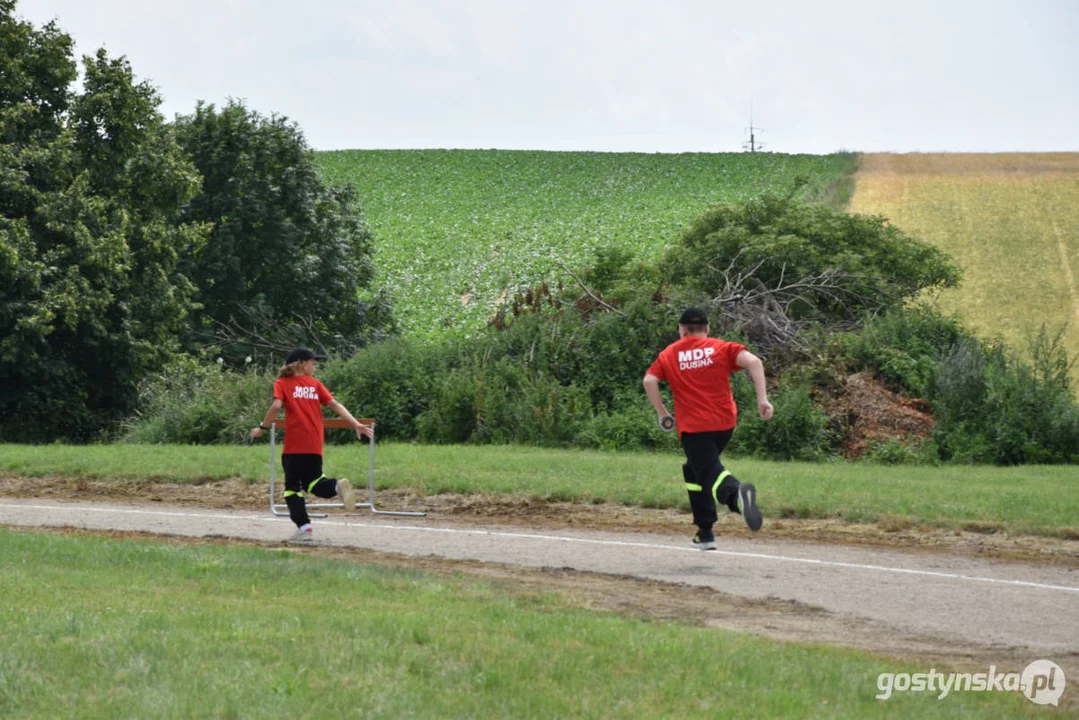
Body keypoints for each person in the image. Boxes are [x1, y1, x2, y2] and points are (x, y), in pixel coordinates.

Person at [643, 308, 774, 550]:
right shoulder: (721, 347)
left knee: (709, 471)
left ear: (682, 330)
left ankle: (736, 497)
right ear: (707, 329)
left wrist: (663, 413)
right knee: (694, 471)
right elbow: (754, 362)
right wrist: (762, 399)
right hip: (725, 424)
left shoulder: (670, 353)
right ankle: (705, 532)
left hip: (694, 427)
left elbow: (649, 380)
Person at [250, 348, 374, 543]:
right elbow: (335, 404)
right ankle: (335, 486)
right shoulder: (315, 385)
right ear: (300, 364)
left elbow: (275, 407)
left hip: (294, 446)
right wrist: (355, 423)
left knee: (292, 488)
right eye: (312, 362)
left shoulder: (282, 383)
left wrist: (262, 427)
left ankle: (304, 527)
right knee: (314, 482)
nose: (314, 366)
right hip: (315, 444)